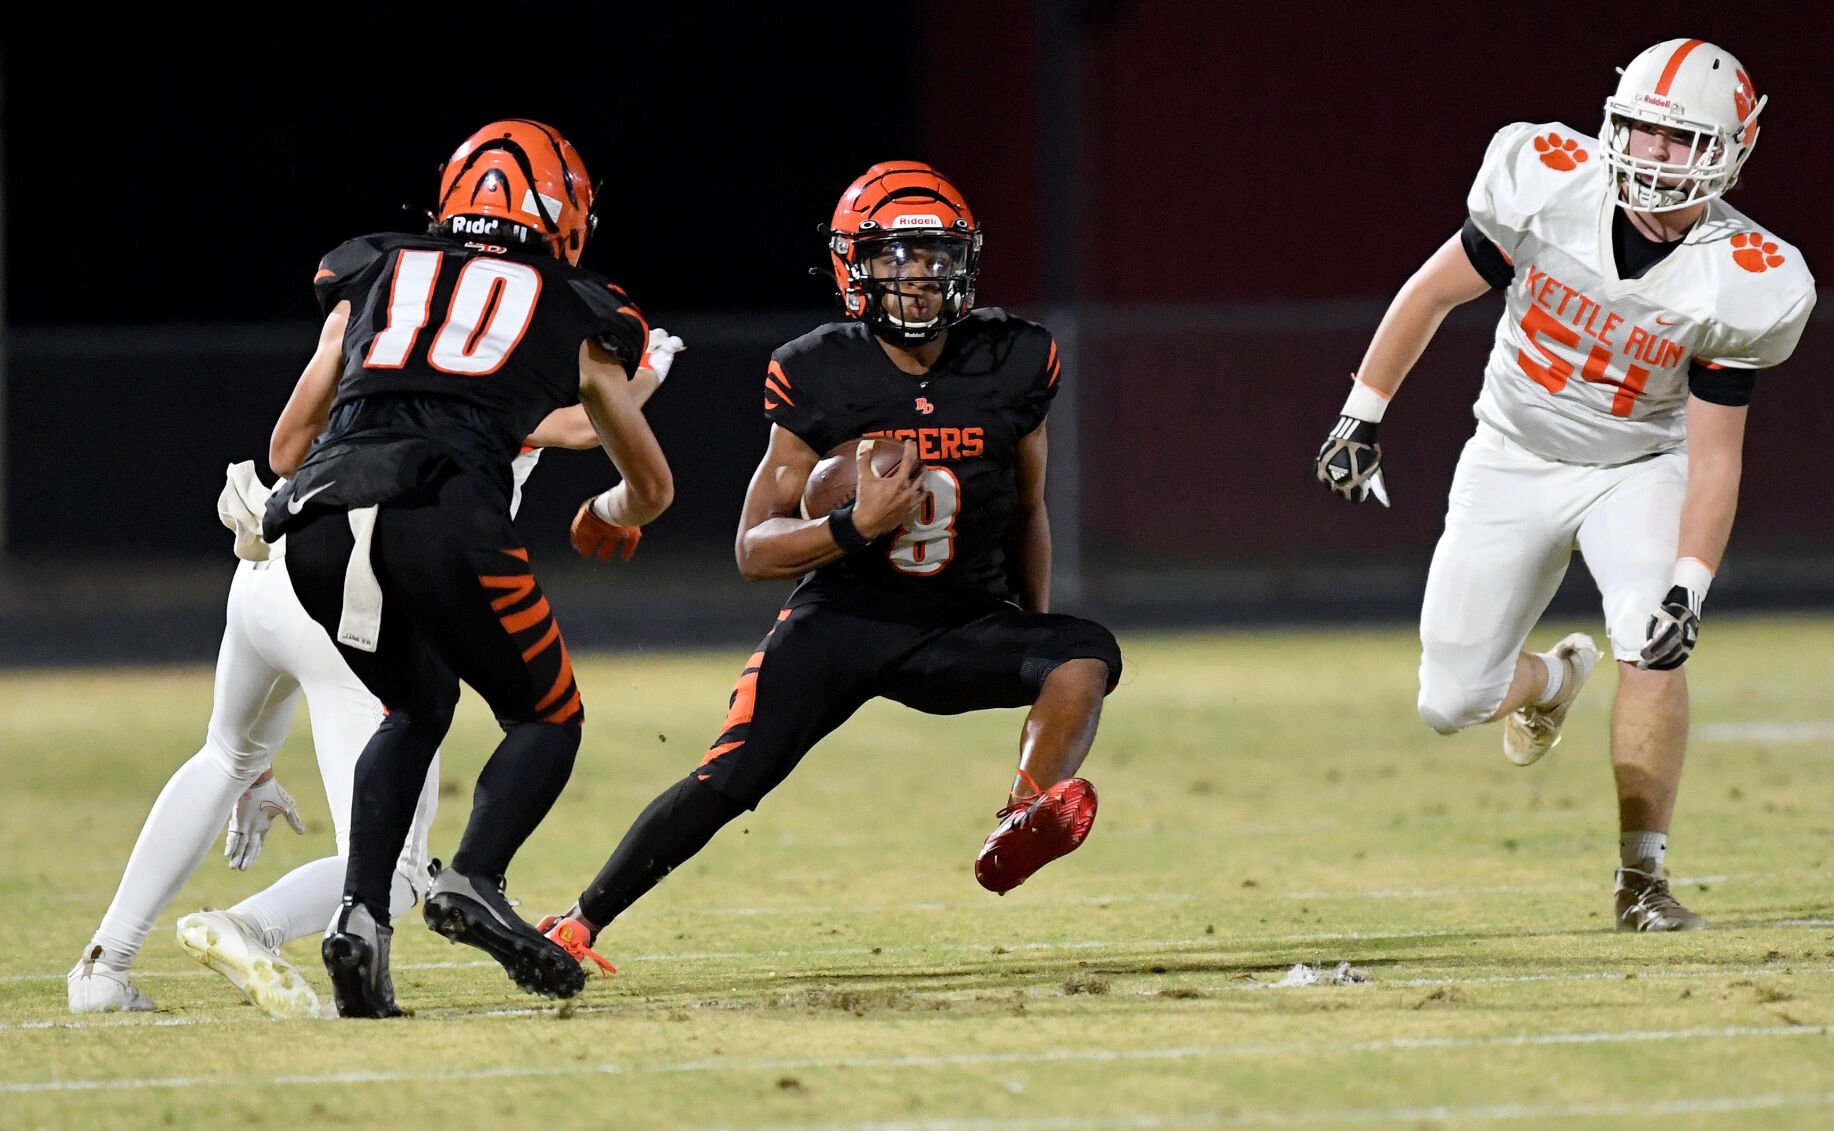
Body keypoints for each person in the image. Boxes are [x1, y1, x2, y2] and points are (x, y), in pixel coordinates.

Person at [533, 161, 1123, 970]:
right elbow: (752, 548)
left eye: (935, 256)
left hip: (959, 623)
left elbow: (1030, 507)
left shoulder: (1014, 358)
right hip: (844, 620)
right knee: (731, 776)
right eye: (896, 258)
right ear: (857, 267)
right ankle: (577, 920)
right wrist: (855, 525)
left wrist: (1026, 624)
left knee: (1084, 653)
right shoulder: (819, 369)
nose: (918, 278)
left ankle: (1022, 815)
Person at [1313, 40, 1814, 931]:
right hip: (1511, 452)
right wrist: (1363, 412)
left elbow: (1716, 454)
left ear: (1733, 147)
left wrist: (1688, 587)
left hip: (1640, 468)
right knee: (1449, 701)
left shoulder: (1745, 280)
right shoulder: (1547, 182)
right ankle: (1549, 682)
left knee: (1654, 641)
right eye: (1645, 132)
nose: (1655, 156)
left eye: (1679, 140)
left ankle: (1642, 880)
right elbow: (1430, 293)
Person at [65, 344, 685, 1021]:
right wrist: (645, 370)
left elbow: (286, 443)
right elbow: (581, 422)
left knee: (226, 755)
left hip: (277, 548)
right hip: (364, 583)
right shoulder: (505, 342)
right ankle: (249, 926)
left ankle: (106, 962)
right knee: (395, 869)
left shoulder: (390, 313)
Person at [260, 118, 674, 1017]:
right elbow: (650, 484)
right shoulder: (582, 308)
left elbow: (287, 446)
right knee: (547, 713)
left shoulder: (369, 271)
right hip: (442, 513)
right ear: (564, 211)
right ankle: (475, 877)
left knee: (416, 705)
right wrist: (609, 512)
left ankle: (360, 922)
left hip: (318, 520)